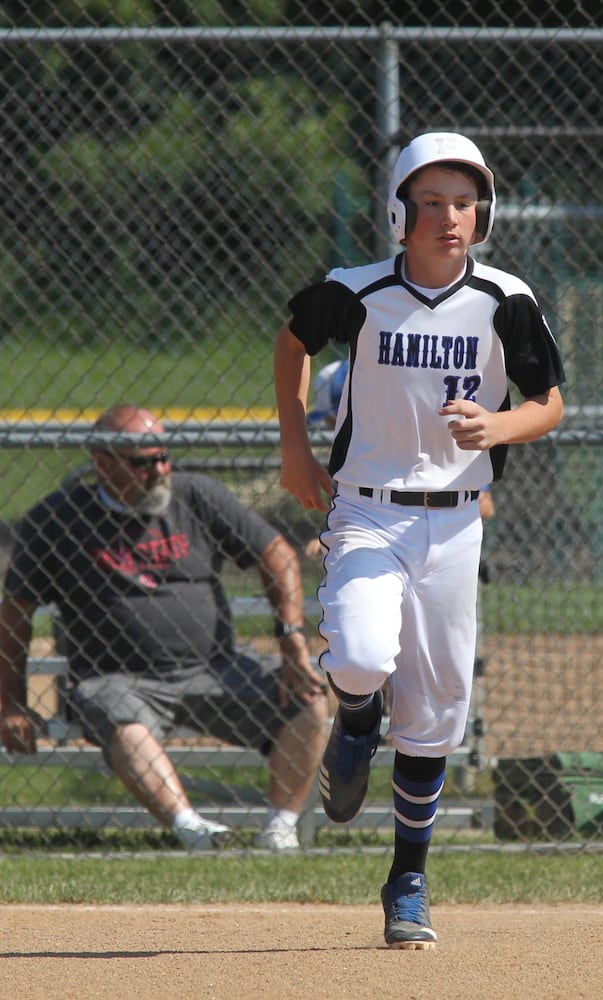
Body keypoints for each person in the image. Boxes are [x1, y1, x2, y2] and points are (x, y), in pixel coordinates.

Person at [274, 131, 565, 947]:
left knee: (437, 712)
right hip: (366, 508)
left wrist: (499, 423)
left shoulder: (506, 299)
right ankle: (357, 718)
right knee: (362, 655)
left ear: (485, 214)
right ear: (399, 212)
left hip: (455, 519)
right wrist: (296, 445)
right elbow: (293, 344)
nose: (448, 217)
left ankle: (408, 879)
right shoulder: (355, 291)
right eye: (430, 202)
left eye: (464, 203)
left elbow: (548, 402)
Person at [0, 405, 328, 852]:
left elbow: (278, 554)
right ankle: (194, 832)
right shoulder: (57, 519)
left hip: (216, 669)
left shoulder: (195, 496)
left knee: (308, 700)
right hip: (117, 681)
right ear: (102, 464)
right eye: (143, 462)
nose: (160, 471)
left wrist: (291, 641)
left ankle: (280, 829)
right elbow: (15, 612)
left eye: (163, 457)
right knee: (123, 720)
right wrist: (10, 702)